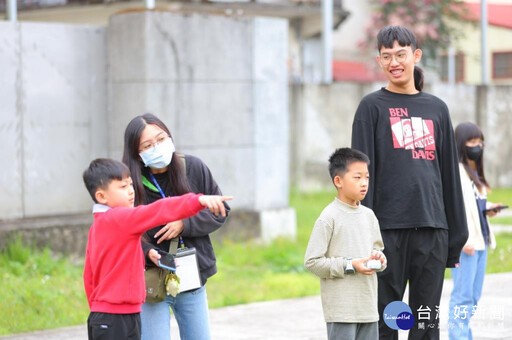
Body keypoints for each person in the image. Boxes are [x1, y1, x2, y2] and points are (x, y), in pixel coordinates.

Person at [351, 25, 468, 339]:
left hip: (432, 230)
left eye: (400, 54)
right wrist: (365, 235)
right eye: (386, 56)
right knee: (387, 320)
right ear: (379, 61)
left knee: (426, 323)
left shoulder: (437, 109)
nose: (394, 62)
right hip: (387, 232)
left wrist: (455, 240)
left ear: (415, 55)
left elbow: (449, 176)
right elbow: (359, 176)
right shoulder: (371, 108)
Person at [82, 158, 231, 340]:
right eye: (122, 187)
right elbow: (157, 210)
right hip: (115, 318)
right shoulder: (120, 218)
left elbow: (89, 275)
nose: (131, 191)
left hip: (111, 315)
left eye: (131, 184)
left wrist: (97, 310)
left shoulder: (99, 224)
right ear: (101, 196)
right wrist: (198, 201)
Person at [122, 113, 230, 340]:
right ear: (137, 154)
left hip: (191, 276)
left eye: (161, 139)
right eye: (148, 145)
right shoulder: (128, 182)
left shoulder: (192, 167)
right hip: (150, 279)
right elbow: (122, 227)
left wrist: (185, 224)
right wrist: (145, 251)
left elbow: (221, 210)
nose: (157, 147)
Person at [304, 148, 387, 340]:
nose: (364, 183)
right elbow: (312, 262)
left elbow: (378, 251)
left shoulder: (369, 216)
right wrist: (350, 265)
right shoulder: (329, 217)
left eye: (367, 177)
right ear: (338, 181)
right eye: (357, 177)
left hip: (368, 309)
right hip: (341, 312)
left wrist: (379, 259)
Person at [448, 122, 503, 339]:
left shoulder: (474, 173)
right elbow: (453, 209)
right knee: (463, 296)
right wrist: (461, 240)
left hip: (481, 242)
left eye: (480, 142)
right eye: (472, 141)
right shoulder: (456, 172)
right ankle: (458, 336)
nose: (477, 146)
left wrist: (488, 209)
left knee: (473, 297)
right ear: (461, 144)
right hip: (466, 245)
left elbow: (473, 206)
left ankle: (463, 334)